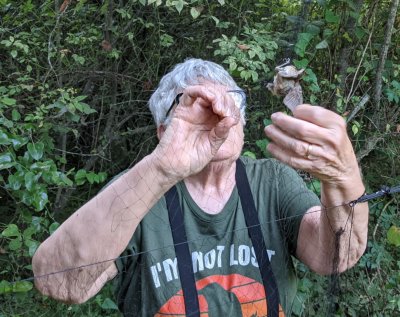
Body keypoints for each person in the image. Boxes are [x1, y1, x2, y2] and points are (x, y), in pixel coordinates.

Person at [32, 58, 369, 316]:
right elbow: (57, 281)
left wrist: (343, 178)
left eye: (231, 102)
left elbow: (332, 257)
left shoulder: (271, 180)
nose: (221, 116)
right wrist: (162, 167)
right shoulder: (139, 189)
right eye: (200, 108)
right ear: (164, 132)